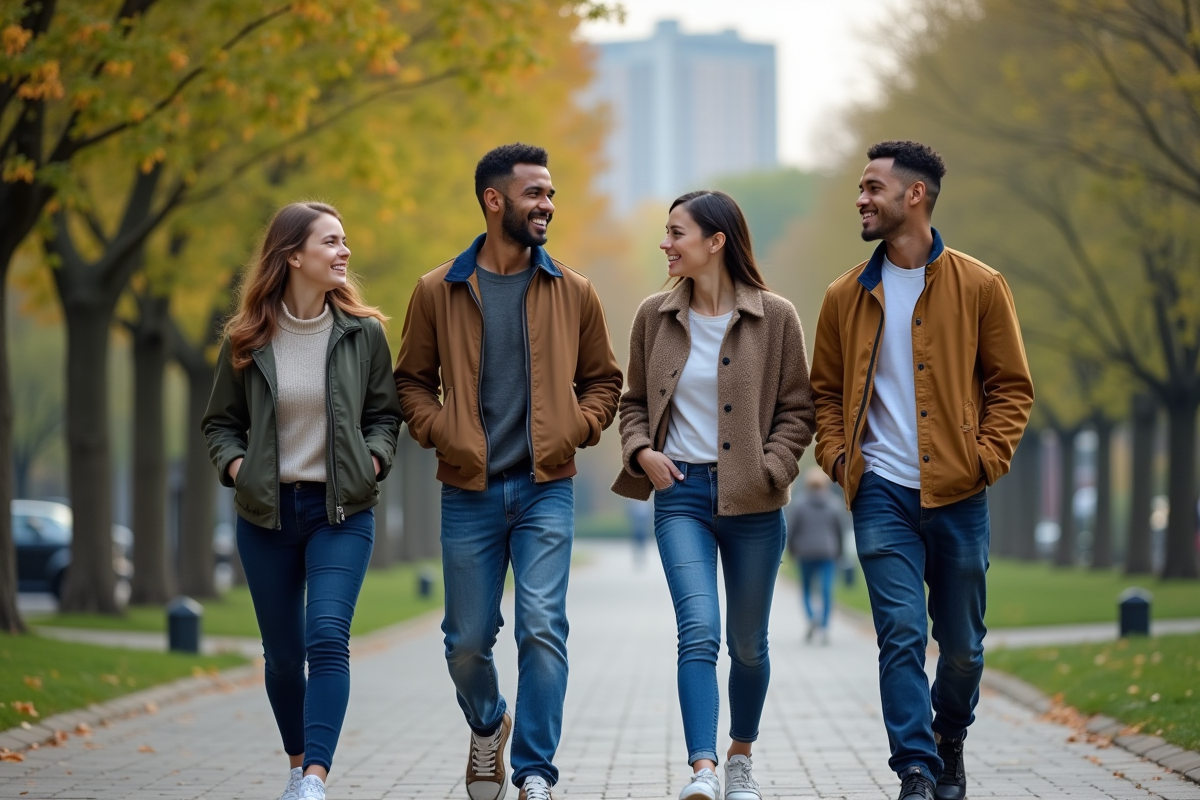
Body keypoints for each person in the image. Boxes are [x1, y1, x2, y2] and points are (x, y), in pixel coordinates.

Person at [394, 143, 623, 800]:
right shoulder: (437, 290)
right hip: (468, 490)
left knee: (542, 625)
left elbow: (604, 381)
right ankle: (489, 722)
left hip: (547, 487)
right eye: (534, 194)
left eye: (550, 194)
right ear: (495, 201)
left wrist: (576, 428)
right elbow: (410, 381)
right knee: (465, 641)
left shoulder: (573, 290)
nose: (547, 205)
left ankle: (534, 773)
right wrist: (442, 431)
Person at [810, 141, 1034, 800]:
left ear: (915, 196)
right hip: (880, 490)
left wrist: (986, 459)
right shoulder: (843, 295)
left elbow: (1012, 387)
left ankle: (950, 734)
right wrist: (839, 458)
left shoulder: (982, 286)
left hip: (960, 491)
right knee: (902, 632)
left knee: (962, 648)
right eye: (859, 187)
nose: (861, 198)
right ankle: (914, 766)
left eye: (872, 187)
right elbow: (823, 392)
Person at [612, 190, 815, 800]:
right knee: (698, 629)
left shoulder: (775, 316)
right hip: (680, 496)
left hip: (755, 502)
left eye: (677, 233)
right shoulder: (654, 315)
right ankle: (702, 768)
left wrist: (773, 466)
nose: (665, 244)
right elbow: (632, 405)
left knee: (748, 646)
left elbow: (797, 410)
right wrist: (643, 452)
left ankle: (740, 759)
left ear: (715, 241)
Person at [202, 202, 402, 800]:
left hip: (342, 512)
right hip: (265, 516)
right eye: (331, 242)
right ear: (294, 256)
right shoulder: (246, 339)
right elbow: (220, 423)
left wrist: (372, 459)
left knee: (326, 637)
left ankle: (315, 777)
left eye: (345, 242)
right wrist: (239, 469)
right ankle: (297, 763)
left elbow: (385, 416)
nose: (344, 253)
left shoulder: (363, 334)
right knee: (285, 656)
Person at [786, 467, 846, 644]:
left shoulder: (799, 503)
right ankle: (825, 626)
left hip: (805, 552)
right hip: (828, 552)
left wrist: (791, 550)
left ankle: (813, 616)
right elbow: (840, 531)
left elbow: (792, 530)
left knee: (806, 589)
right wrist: (840, 552)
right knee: (827, 590)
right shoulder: (834, 504)